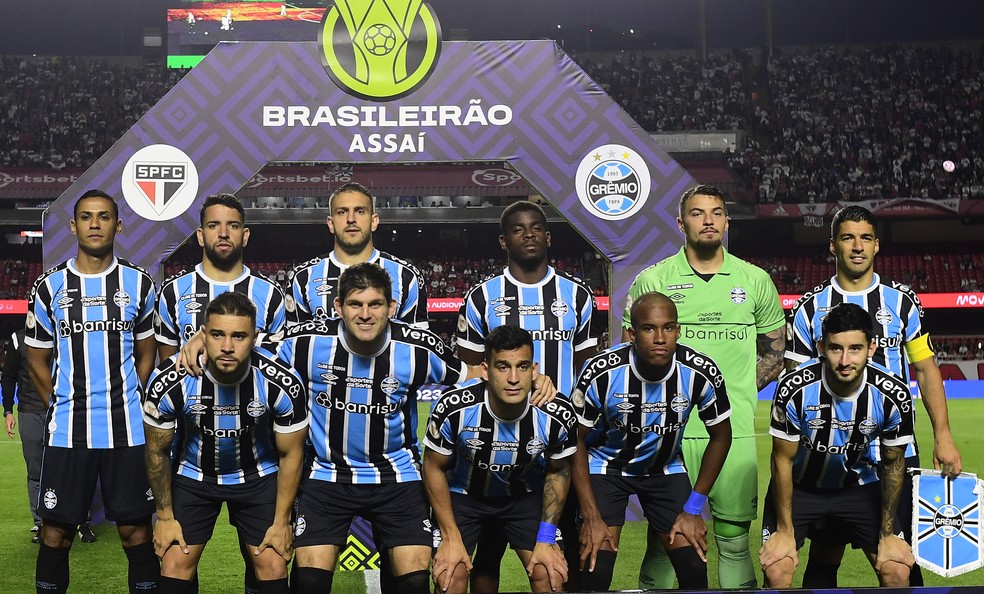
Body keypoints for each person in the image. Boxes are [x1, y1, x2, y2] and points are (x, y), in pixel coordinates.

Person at [786, 204, 962, 587]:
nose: (857, 246)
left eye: (865, 238)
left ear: (877, 245)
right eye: (848, 237)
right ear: (833, 245)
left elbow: (926, 368)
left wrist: (943, 436)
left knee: (898, 557)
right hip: (830, 456)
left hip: (893, 453)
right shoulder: (810, 307)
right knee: (826, 551)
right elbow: (795, 384)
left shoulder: (902, 301)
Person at [623, 184, 785, 589]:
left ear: (727, 222)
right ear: (681, 223)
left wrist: (732, 392)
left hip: (734, 431)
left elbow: (775, 352)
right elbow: (631, 349)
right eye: (698, 213)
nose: (709, 220)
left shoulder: (755, 279)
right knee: (666, 541)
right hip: (666, 432)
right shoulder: (654, 279)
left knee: (733, 542)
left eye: (716, 212)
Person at [275, 263, 470, 594]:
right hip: (327, 475)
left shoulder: (418, 349)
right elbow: (244, 352)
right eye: (355, 304)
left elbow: (475, 374)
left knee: (412, 582)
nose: (365, 314)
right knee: (308, 580)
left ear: (391, 308)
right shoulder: (303, 344)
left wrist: (534, 383)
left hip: (398, 477)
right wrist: (199, 344)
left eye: (375, 304)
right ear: (338, 307)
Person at [456, 200, 596, 591]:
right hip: (493, 445)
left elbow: (587, 373)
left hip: (556, 445)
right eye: (518, 229)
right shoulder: (482, 297)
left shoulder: (578, 295)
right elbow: (469, 372)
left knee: (556, 555)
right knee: (486, 555)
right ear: (504, 241)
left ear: (548, 237)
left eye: (536, 227)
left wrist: (567, 408)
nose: (528, 233)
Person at [25, 189, 159, 594]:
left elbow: (146, 356)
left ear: (117, 225)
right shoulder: (49, 288)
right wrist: (63, 407)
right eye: (86, 217)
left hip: (128, 433)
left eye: (103, 217)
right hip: (68, 433)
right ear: (73, 226)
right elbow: (36, 360)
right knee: (55, 535)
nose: (95, 224)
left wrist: (124, 399)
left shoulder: (138, 284)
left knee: (136, 534)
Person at [157, 192, 286, 594]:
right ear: (200, 235)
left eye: (232, 225)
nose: (223, 232)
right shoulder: (174, 292)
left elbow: (278, 370)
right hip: (193, 455)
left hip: (257, 453)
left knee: (265, 558)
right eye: (214, 225)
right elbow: (168, 372)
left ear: (245, 235)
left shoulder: (270, 295)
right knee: (178, 558)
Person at [143, 292, 308, 594]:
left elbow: (291, 456)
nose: (228, 346)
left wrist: (282, 521)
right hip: (193, 475)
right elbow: (157, 452)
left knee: (272, 563)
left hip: (259, 476)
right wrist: (164, 517)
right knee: (174, 564)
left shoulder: (281, 382)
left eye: (239, 336)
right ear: (202, 334)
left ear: (255, 337)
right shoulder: (170, 380)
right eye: (217, 334)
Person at [574, 292, 733, 591]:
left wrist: (693, 508)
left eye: (668, 327)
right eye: (649, 328)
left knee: (694, 567)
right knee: (595, 566)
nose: (660, 337)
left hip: (665, 470)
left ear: (678, 330)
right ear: (633, 334)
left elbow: (722, 436)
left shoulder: (701, 371)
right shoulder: (602, 372)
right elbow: (575, 441)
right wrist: (591, 515)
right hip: (607, 468)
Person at [760, 302, 915, 588]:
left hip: (859, 487)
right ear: (821, 347)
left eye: (855, 348)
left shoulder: (893, 394)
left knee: (897, 571)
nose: (845, 360)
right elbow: (781, 460)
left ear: (872, 347)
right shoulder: (794, 389)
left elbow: (893, 463)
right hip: (800, 488)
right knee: (777, 569)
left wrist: (888, 532)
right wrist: (784, 530)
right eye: (835, 348)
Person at [423, 325, 576, 593]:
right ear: (485, 370)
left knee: (549, 574)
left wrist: (546, 536)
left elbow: (559, 471)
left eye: (523, 367)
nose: (514, 378)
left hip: (523, 498)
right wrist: (450, 537)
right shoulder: (454, 407)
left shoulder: (555, 413)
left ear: (534, 369)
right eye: (503, 367)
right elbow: (433, 467)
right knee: (451, 575)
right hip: (464, 497)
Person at [287, 182, 428, 328]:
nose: (351, 219)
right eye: (342, 212)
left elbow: (418, 346)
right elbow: (294, 345)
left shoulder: (407, 276)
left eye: (360, 211)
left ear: (374, 221)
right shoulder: (302, 277)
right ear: (330, 223)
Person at [3, 330, 46, 542]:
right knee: (35, 470)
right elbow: (9, 376)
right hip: (29, 411)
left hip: (62, 410)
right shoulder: (18, 339)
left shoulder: (62, 331)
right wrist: (8, 410)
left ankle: (80, 522)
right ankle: (40, 523)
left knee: (71, 466)